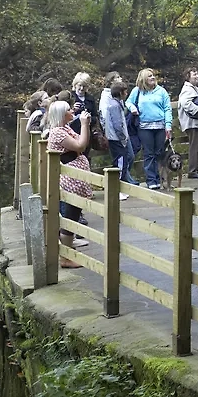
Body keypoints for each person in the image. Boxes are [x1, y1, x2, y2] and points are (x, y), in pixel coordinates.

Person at [43, 100, 93, 268]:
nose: (72, 111)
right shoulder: (58, 132)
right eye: (68, 110)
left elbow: (82, 144)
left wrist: (85, 126)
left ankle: (69, 249)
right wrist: (84, 124)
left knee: (74, 214)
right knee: (70, 216)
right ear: (61, 114)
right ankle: (65, 258)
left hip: (76, 178)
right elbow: (80, 145)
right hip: (69, 180)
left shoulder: (66, 128)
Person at [126, 69, 172, 190]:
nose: (152, 77)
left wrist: (168, 125)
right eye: (149, 76)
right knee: (149, 153)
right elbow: (128, 102)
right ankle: (151, 180)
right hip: (144, 127)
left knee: (159, 153)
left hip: (160, 126)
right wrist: (132, 108)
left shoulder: (161, 91)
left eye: (153, 75)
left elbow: (167, 108)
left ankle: (159, 178)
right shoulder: (137, 91)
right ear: (143, 79)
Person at [104, 82, 135, 197]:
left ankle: (120, 188)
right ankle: (117, 190)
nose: (126, 94)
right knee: (120, 164)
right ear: (120, 93)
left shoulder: (116, 104)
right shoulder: (115, 106)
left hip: (116, 139)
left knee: (122, 162)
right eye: (125, 92)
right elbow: (118, 125)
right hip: (116, 139)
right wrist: (123, 139)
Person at [177, 67, 198, 179]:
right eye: (194, 74)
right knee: (195, 146)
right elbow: (185, 103)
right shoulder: (187, 89)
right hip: (192, 123)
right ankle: (192, 171)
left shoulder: (195, 89)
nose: (197, 76)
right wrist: (197, 110)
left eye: (197, 74)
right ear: (188, 77)